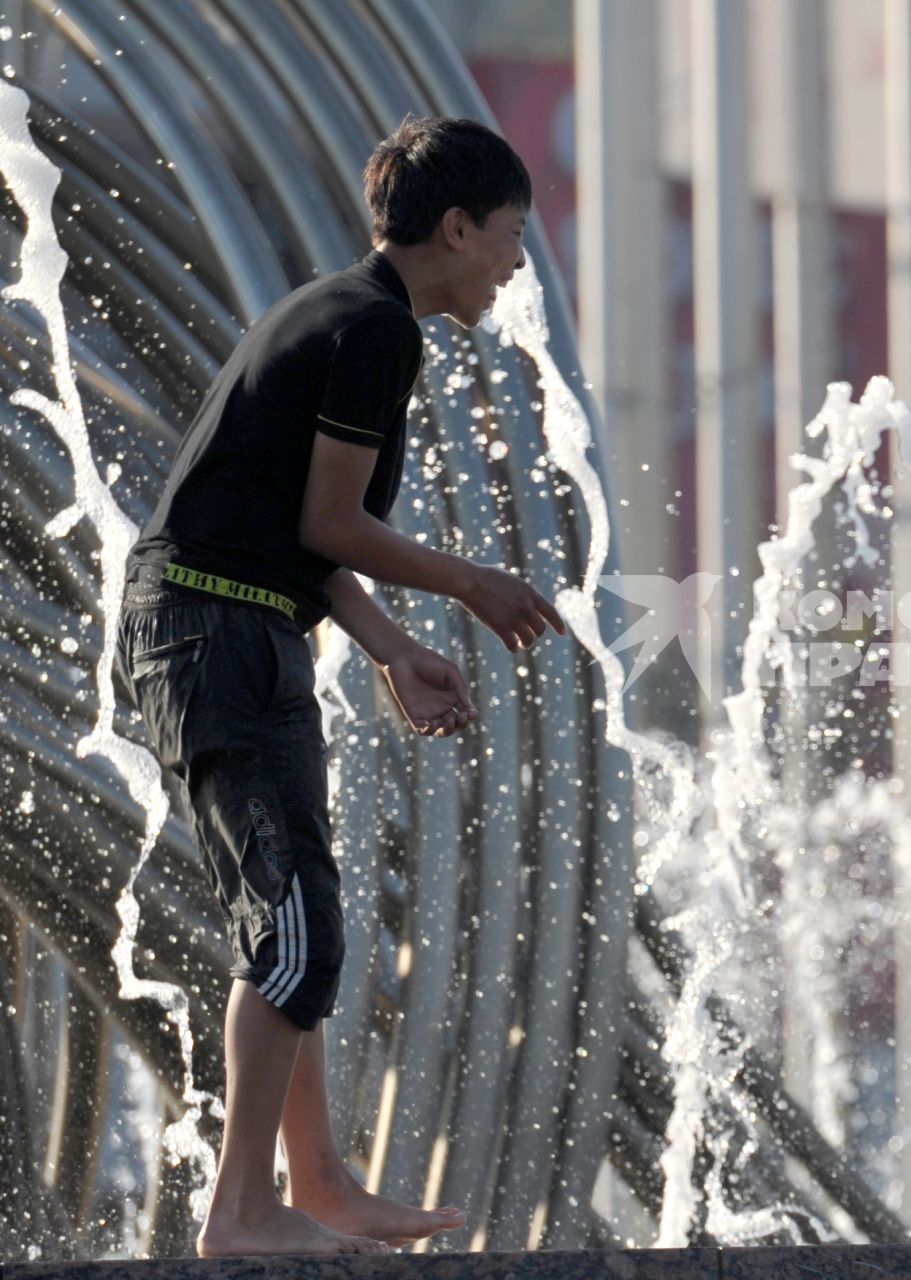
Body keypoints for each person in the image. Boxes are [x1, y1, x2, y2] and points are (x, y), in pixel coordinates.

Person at [116, 116, 568, 1257]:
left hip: (239, 620)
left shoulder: (345, 311)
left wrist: (386, 646)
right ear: (458, 227)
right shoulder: (373, 330)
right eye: (512, 235)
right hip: (214, 629)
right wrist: (469, 583)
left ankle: (315, 1179)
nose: (518, 261)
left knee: (293, 919)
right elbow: (333, 520)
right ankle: (241, 1210)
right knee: (299, 934)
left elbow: (295, 529)